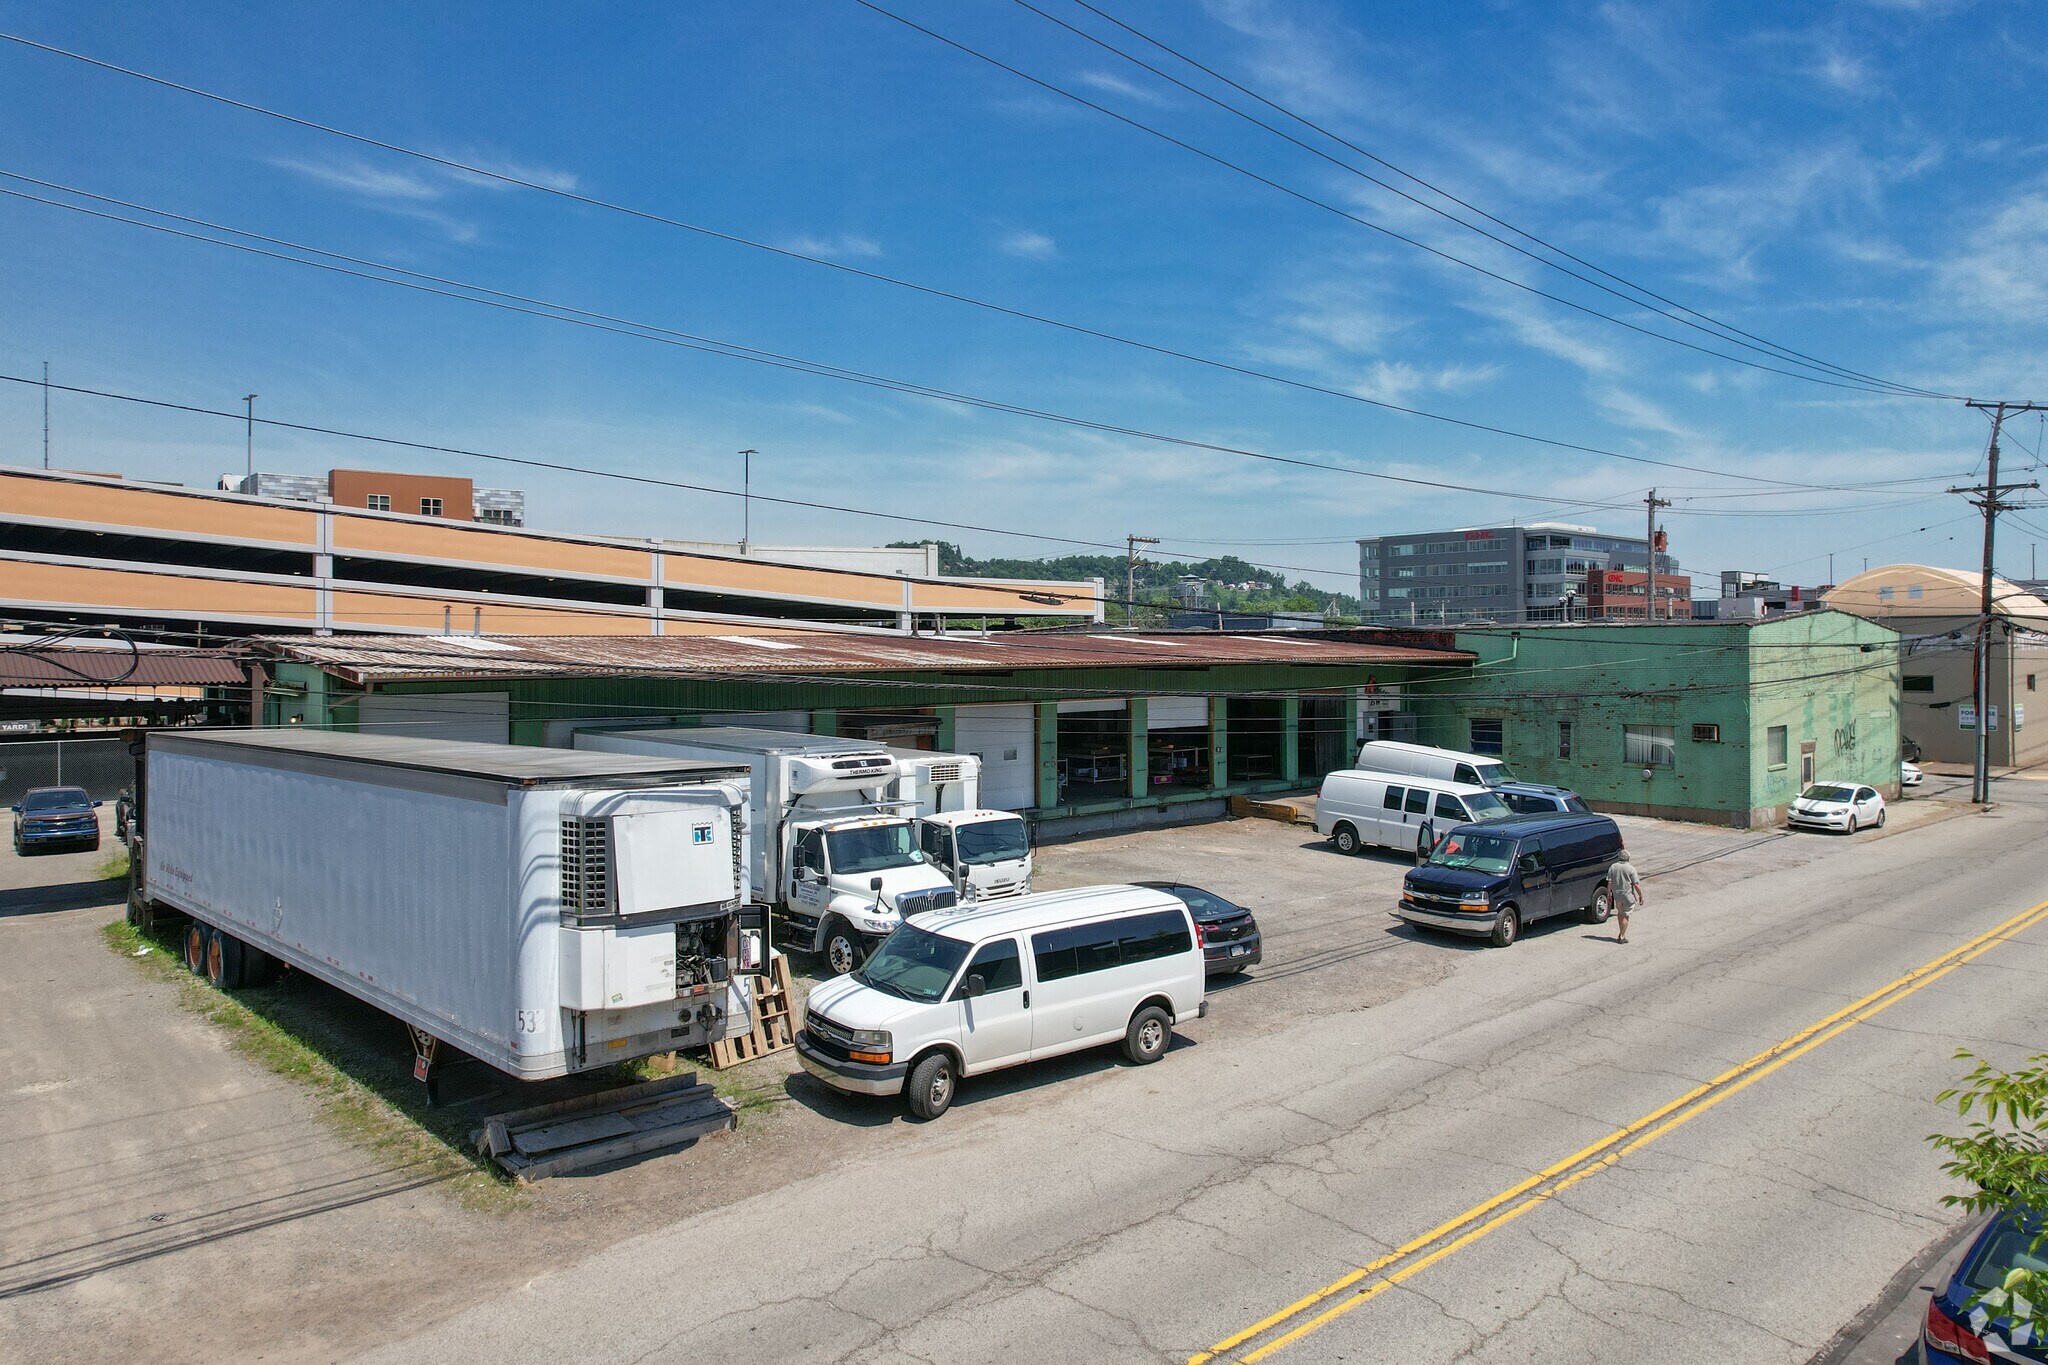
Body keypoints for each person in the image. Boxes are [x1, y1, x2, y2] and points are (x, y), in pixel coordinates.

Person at [1610, 852, 1645, 944]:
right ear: (1628, 858)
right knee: (1626, 915)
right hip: (1628, 896)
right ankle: (1622, 936)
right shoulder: (1631, 869)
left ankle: (1621, 932)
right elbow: (1636, 885)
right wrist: (1641, 896)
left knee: (1620, 913)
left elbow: (1609, 882)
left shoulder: (1613, 867)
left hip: (1617, 896)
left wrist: (1608, 894)